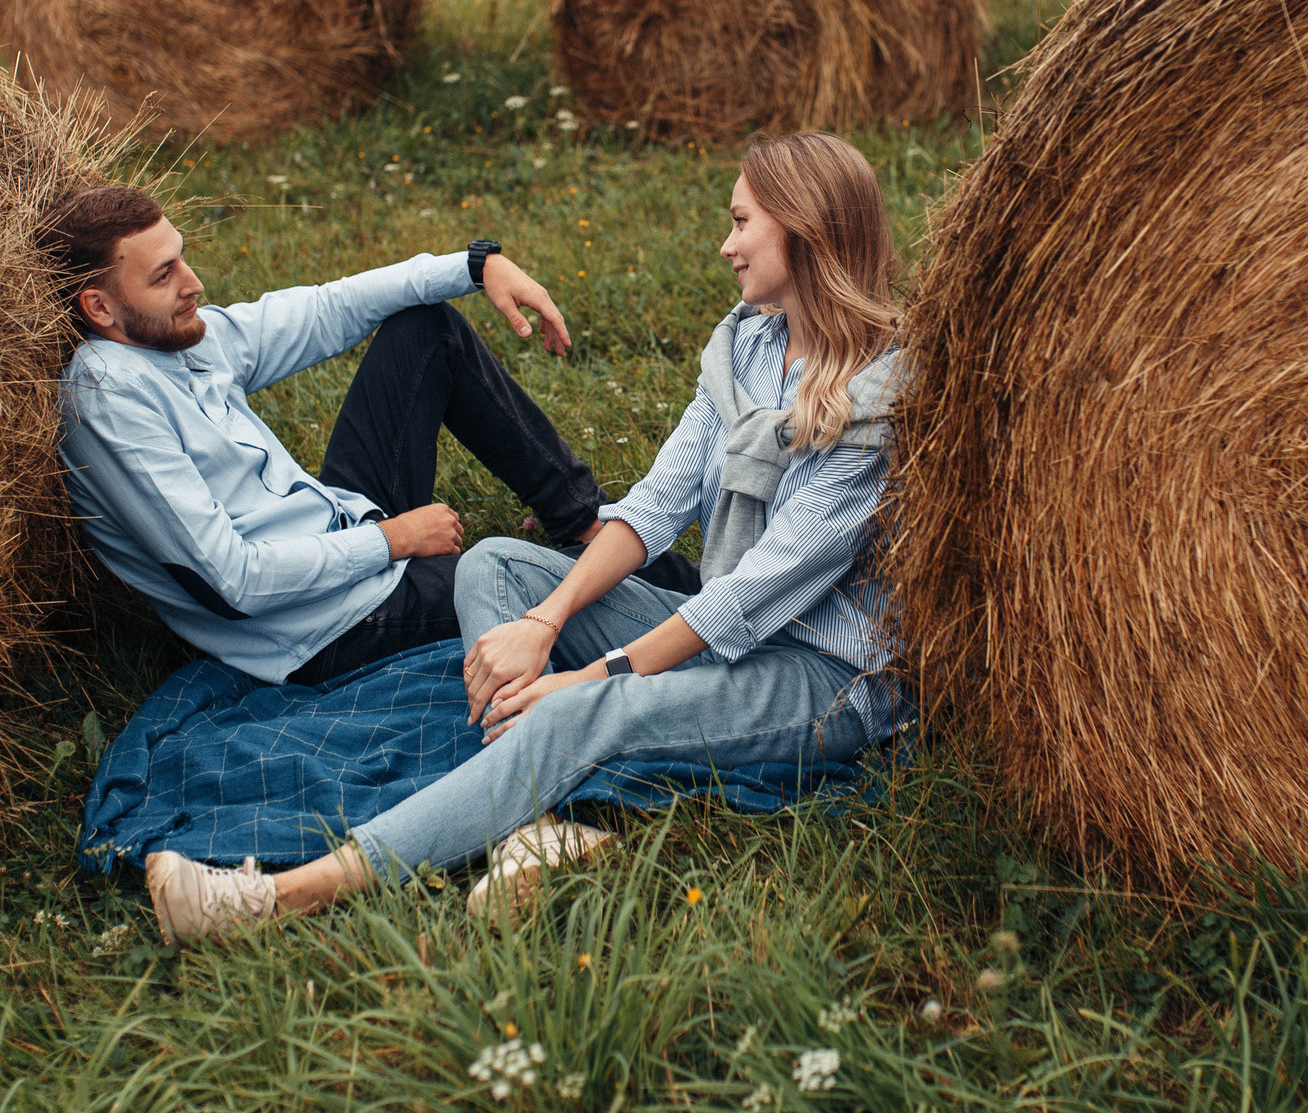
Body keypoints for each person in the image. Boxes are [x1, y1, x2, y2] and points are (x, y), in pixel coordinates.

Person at [143, 132, 909, 941]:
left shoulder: (875, 405)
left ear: (802, 228)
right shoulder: (748, 342)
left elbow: (745, 600)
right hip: (726, 623)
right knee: (494, 570)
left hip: (819, 671)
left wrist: (587, 681)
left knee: (580, 712)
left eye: (741, 221)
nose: (725, 244)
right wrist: (545, 621)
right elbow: (653, 505)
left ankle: (284, 896)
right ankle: (536, 825)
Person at [45, 183, 694, 690]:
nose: (194, 284)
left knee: (423, 330)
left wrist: (475, 265)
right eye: (164, 276)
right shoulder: (108, 398)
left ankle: (582, 520)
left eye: (181, 257)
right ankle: (705, 601)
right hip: (327, 626)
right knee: (528, 579)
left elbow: (329, 308)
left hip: (340, 532)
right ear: (100, 308)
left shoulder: (177, 338)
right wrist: (395, 539)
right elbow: (233, 581)